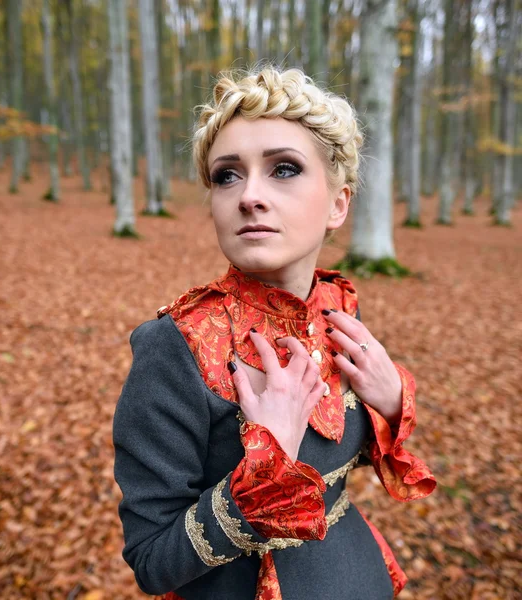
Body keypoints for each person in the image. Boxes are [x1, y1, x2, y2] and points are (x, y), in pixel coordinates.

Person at [113, 66, 436, 600]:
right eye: (227, 175)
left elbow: (344, 443)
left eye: (284, 169)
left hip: (360, 574)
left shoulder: (336, 306)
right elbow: (151, 562)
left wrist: (394, 398)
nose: (249, 197)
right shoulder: (177, 345)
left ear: (339, 203)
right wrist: (269, 466)